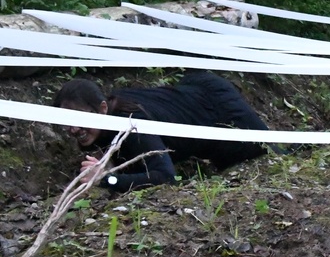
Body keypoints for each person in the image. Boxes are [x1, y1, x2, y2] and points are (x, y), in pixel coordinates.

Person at [53, 72, 271, 192]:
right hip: (195, 88)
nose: (73, 129)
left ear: (102, 108)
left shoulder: (132, 126)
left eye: (80, 119)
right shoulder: (111, 107)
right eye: (67, 121)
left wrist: (107, 179)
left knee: (271, 154)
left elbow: (167, 178)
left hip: (224, 113)